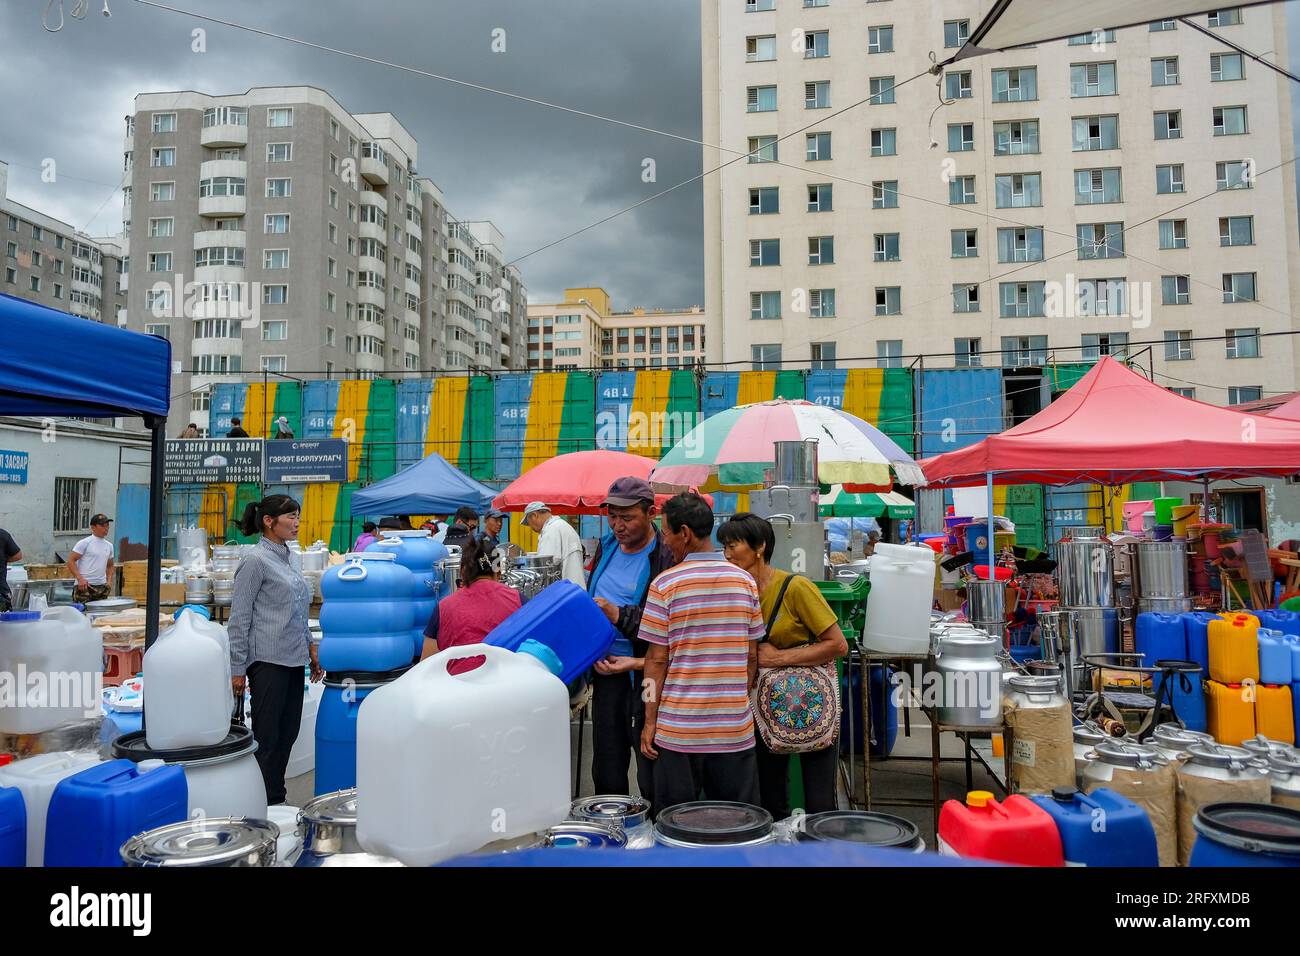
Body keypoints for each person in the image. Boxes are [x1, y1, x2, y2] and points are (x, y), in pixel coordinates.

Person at [718, 512, 849, 818]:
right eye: (723, 545)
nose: (726, 554)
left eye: (733, 545)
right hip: (760, 708)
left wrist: (779, 658)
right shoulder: (736, 591)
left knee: (819, 801)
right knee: (770, 797)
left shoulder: (796, 587)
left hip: (808, 705)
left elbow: (837, 644)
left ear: (759, 546)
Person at [638, 493, 764, 810]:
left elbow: (655, 662)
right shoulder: (745, 582)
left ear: (685, 533)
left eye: (666, 532)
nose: (665, 541)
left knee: (675, 827)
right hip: (734, 729)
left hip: (678, 732)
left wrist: (650, 721)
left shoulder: (664, 585)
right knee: (738, 825)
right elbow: (751, 656)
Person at [228, 494, 323, 806]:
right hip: (267, 659)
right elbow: (239, 619)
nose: (296, 523)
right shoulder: (255, 561)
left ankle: (275, 796)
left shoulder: (291, 557)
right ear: (269, 521)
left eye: (297, 516)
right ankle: (263, 801)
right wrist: (237, 669)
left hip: (294, 657)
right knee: (268, 737)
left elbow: (299, 610)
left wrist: (312, 648)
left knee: (288, 732)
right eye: (290, 517)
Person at [586, 477, 676, 801]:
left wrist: (617, 614)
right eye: (612, 516)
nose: (617, 525)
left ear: (650, 512)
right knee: (607, 765)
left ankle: (653, 835)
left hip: (645, 675)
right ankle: (611, 835)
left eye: (627, 517)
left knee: (649, 758)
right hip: (606, 671)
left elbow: (665, 622)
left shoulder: (665, 555)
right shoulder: (607, 546)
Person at [419, 534, 520, 674]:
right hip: (508, 687)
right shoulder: (518, 600)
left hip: (458, 688)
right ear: (499, 573)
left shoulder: (443, 607)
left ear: (462, 572)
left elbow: (426, 664)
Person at [523, 501, 585, 586]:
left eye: (529, 523)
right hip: (574, 587)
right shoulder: (560, 525)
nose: (531, 528)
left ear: (534, 516)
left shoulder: (551, 530)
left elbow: (545, 565)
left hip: (567, 590)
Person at [67, 514, 115, 604]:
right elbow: (71, 561)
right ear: (93, 527)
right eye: (103, 526)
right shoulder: (85, 543)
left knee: (100, 616)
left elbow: (110, 565)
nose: (106, 528)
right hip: (84, 586)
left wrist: (108, 582)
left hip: (101, 586)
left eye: (107, 526)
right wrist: (80, 579)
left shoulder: (109, 546)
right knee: (82, 614)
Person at [0, 527, 21, 613]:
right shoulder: (3, 534)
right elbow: (18, 555)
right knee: (4, 623)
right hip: (2, 591)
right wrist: (4, 560)